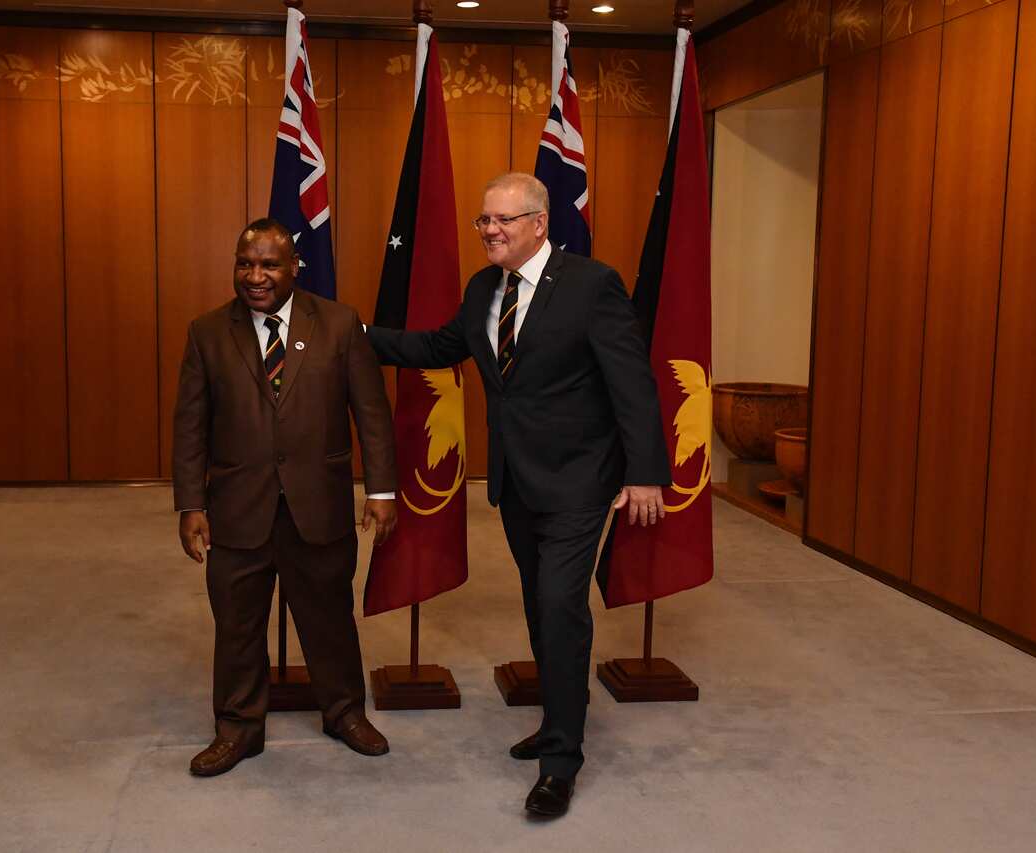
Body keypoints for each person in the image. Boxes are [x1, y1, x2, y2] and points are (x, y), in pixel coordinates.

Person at [366, 173, 671, 817]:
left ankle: (562, 760)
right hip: (516, 481)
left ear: (539, 223)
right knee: (540, 606)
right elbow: (437, 347)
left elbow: (633, 384)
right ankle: (556, 718)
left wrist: (645, 473)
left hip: (580, 480)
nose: (490, 231)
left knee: (562, 606)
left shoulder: (592, 285)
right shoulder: (485, 288)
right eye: (483, 221)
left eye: (503, 220)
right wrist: (355, 335)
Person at [173, 218, 398, 777]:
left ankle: (345, 712)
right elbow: (190, 427)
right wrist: (190, 505)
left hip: (317, 505)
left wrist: (382, 488)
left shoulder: (341, 324)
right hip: (237, 509)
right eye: (245, 263)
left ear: (294, 267)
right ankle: (238, 728)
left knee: (329, 619)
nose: (255, 276)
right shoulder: (206, 332)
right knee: (237, 624)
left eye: (269, 265)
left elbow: (370, 414)